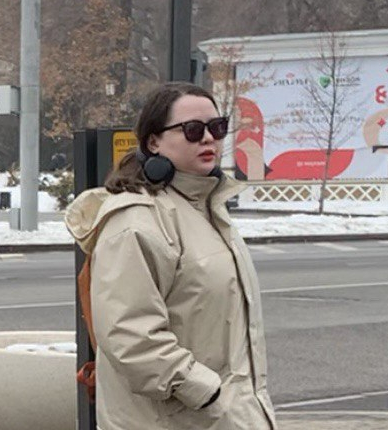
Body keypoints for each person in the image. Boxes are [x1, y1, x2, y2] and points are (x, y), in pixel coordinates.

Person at [65, 82, 276, 430]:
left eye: (217, 127)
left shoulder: (209, 211)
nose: (208, 139)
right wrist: (209, 394)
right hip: (176, 419)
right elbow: (131, 336)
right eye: (192, 130)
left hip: (225, 417)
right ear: (153, 141)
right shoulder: (136, 221)